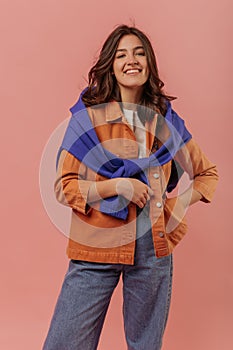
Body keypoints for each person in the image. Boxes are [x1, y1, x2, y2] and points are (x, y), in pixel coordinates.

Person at [42, 25, 218, 350]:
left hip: (152, 251)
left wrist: (175, 206)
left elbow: (207, 174)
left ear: (149, 63)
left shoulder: (165, 120)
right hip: (96, 248)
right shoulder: (87, 119)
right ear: (111, 65)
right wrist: (117, 186)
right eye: (121, 54)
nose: (131, 60)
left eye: (139, 53)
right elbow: (64, 186)